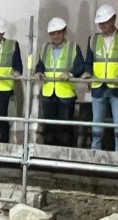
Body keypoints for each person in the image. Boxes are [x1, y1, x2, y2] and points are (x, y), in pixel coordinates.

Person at [82, 5, 118, 153]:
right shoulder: (93, 39)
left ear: (114, 19)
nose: (102, 26)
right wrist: (87, 72)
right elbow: (88, 61)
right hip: (99, 87)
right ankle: (95, 152)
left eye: (105, 22)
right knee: (97, 124)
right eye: (100, 23)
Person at [34, 17, 84, 147]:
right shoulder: (44, 48)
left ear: (64, 32)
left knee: (65, 128)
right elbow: (40, 65)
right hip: (48, 93)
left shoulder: (73, 47)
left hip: (66, 94)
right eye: (53, 33)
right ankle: (48, 157)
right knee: (49, 127)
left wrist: (70, 73)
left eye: (58, 32)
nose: (56, 36)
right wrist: (38, 72)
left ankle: (63, 160)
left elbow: (80, 67)